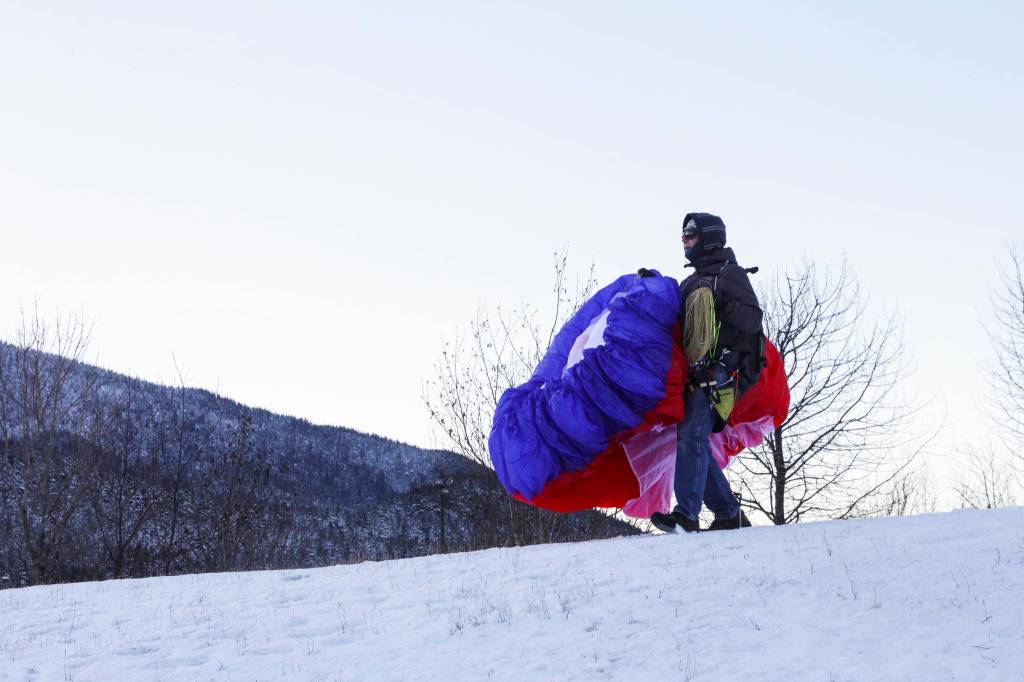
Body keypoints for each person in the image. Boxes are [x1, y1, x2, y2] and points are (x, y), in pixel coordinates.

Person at [651, 212, 763, 533]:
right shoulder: (689, 283)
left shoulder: (730, 275)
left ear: (709, 237)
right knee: (691, 437)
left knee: (691, 435)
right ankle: (728, 513)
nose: (684, 241)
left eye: (691, 234)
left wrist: (721, 304)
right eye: (684, 235)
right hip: (693, 374)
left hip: (721, 374)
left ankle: (686, 514)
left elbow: (753, 320)